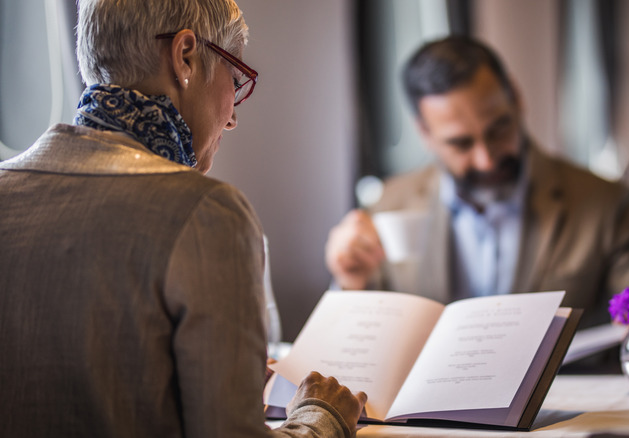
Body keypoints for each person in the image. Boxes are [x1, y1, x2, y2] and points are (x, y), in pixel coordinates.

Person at [0, 0, 365, 436]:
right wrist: (321, 415)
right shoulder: (207, 213)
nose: (231, 118)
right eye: (235, 78)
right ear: (185, 56)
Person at [326, 36, 629, 329]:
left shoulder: (609, 205)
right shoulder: (388, 205)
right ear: (425, 133)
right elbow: (358, 340)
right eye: (461, 143)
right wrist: (350, 283)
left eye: (498, 129)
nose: (486, 159)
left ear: (516, 98)